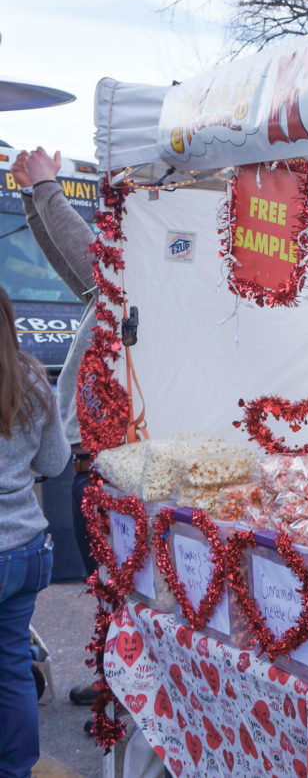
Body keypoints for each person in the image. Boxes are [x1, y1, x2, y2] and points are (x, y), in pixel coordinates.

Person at [11, 147, 100, 707]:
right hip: (89, 457)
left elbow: (89, 260)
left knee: (114, 582)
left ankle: (121, 680)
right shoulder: (106, 298)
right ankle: (118, 674)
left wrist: (48, 188)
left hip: (104, 460)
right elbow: (73, 268)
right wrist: (32, 197)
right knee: (105, 583)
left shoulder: (127, 288)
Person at [0, 284, 71, 776]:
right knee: (11, 671)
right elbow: (54, 462)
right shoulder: (29, 378)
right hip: (24, 546)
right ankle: (17, 769)